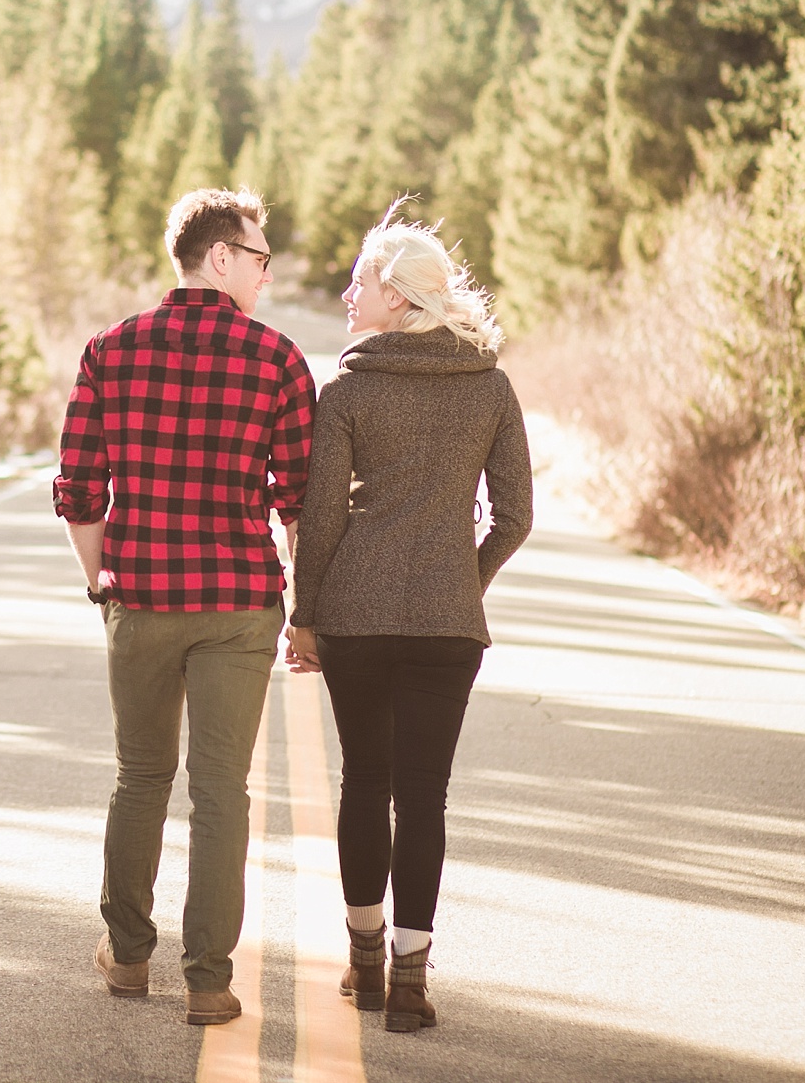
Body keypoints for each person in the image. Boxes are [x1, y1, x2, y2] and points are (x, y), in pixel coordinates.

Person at [55, 187, 316, 1027]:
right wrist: (303, 605)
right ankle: (208, 978)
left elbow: (79, 488)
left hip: (143, 596)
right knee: (220, 791)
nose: (267, 275)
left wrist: (101, 578)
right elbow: (300, 502)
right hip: (239, 603)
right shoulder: (277, 358)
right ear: (220, 258)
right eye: (260, 258)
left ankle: (128, 957)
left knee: (140, 777)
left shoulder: (111, 349)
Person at [285, 202, 532, 1033]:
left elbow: (320, 519)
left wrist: (305, 614)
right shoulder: (491, 385)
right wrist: (464, 578)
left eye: (360, 282)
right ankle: (412, 979)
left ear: (397, 296)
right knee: (425, 795)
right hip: (446, 621)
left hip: (355, 614)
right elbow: (514, 515)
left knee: (367, 781)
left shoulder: (349, 388)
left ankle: (362, 960)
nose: (349, 295)